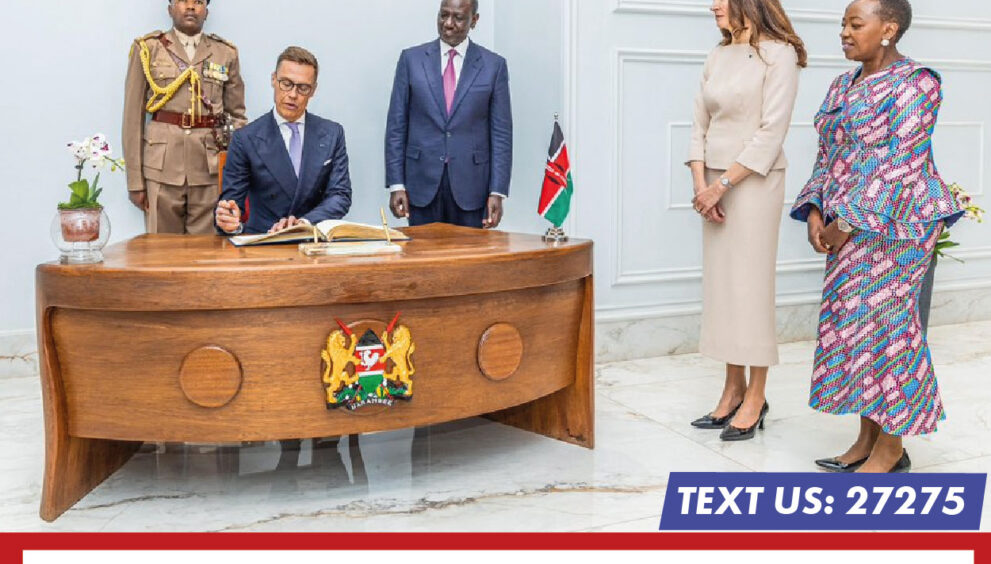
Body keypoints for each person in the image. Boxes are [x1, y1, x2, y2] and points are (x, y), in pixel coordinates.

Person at [790, 0, 964, 473]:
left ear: (888, 28)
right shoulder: (841, 84)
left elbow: (900, 165)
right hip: (845, 222)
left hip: (899, 226)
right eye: (842, 24)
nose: (844, 32)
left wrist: (845, 223)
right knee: (856, 329)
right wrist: (816, 210)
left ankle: (892, 447)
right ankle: (866, 439)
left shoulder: (917, 83)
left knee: (889, 331)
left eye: (855, 23)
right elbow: (827, 155)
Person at [686, 0, 805, 441]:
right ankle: (732, 388)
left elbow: (772, 132)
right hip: (712, 183)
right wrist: (702, 185)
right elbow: (698, 125)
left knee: (750, 290)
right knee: (724, 289)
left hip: (754, 182)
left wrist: (721, 186)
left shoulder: (779, 54)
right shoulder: (718, 54)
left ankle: (756, 395)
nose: (713, 5)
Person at [385, 0, 512, 229]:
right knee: (422, 252)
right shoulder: (411, 60)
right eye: (443, 15)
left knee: (469, 252)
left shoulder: (494, 66)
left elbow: (501, 133)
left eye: (458, 17)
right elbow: (396, 126)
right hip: (420, 185)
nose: (448, 23)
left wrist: (497, 191)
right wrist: (396, 184)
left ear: (474, 20)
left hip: (472, 187)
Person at [123, 0, 246, 234]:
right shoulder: (148, 49)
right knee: (160, 249)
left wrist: (233, 176)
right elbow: (132, 121)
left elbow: (237, 117)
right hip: (161, 168)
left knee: (207, 250)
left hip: (208, 169)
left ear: (206, 11)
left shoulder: (225, 53)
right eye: (183, 1)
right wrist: (135, 181)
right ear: (170, 8)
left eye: (198, 2)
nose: (191, 7)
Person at [215, 47, 351, 235]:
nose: (293, 94)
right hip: (264, 239)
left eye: (303, 88)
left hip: (313, 237)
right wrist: (229, 219)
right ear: (273, 80)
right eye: (286, 83)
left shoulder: (332, 133)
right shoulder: (245, 138)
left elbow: (340, 195)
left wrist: (304, 223)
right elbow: (232, 204)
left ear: (313, 90)